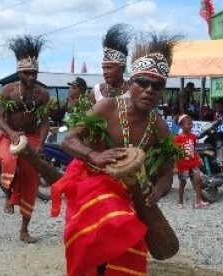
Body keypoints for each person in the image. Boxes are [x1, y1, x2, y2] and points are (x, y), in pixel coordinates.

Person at [56, 32, 177, 275]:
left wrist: (158, 192)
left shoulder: (160, 127)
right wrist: (94, 156)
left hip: (131, 190)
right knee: (116, 222)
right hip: (92, 182)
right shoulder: (107, 107)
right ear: (130, 83)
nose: (148, 90)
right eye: (142, 82)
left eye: (157, 85)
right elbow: (68, 140)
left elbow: (167, 174)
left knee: (129, 242)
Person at [0, 34, 50, 243]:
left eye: (34, 72)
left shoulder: (42, 94)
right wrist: (10, 133)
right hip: (9, 135)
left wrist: (41, 143)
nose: (31, 76)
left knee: (31, 181)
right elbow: (0, 118)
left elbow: (44, 121)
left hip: (32, 137)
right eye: (27, 73)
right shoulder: (7, 91)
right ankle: (9, 197)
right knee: (9, 160)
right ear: (19, 72)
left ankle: (24, 230)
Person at [88, 23, 132, 104]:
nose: (105, 72)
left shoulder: (133, 91)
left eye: (109, 67)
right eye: (103, 68)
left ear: (122, 68)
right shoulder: (96, 91)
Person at [175, 114, 208, 209]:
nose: (191, 126)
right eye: (188, 124)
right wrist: (175, 166)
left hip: (193, 163)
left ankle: (198, 202)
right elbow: (175, 153)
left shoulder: (193, 136)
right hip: (183, 164)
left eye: (191, 124)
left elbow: (194, 149)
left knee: (198, 180)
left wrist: (199, 158)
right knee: (183, 183)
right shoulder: (177, 138)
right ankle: (180, 202)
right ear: (181, 125)